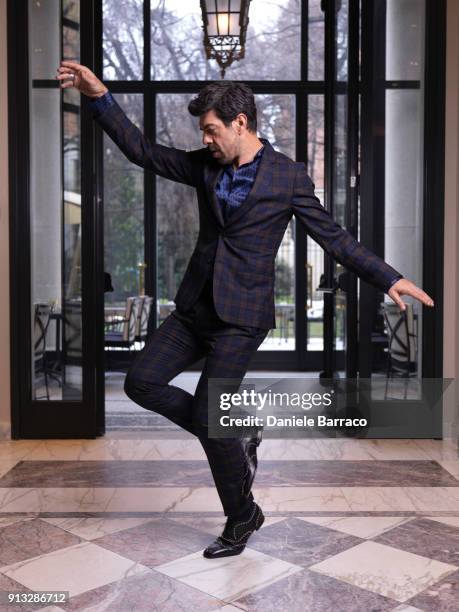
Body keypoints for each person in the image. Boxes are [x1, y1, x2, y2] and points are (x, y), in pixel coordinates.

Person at [56, 61, 435, 559]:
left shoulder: (288, 177)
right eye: (203, 132)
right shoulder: (204, 166)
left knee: (214, 420)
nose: (206, 139)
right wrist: (99, 95)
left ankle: (242, 516)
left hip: (241, 319)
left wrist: (389, 277)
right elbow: (142, 151)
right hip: (194, 309)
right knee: (141, 382)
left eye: (212, 130)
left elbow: (335, 239)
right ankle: (238, 434)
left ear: (241, 123)